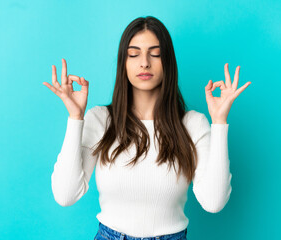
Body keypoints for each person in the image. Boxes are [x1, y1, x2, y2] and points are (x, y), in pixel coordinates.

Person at [43, 16, 251, 240]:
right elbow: (65, 195)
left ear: (168, 62)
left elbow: (214, 202)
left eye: (155, 53)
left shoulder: (193, 124)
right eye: (134, 54)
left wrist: (219, 122)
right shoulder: (101, 120)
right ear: (123, 62)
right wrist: (76, 118)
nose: (144, 62)